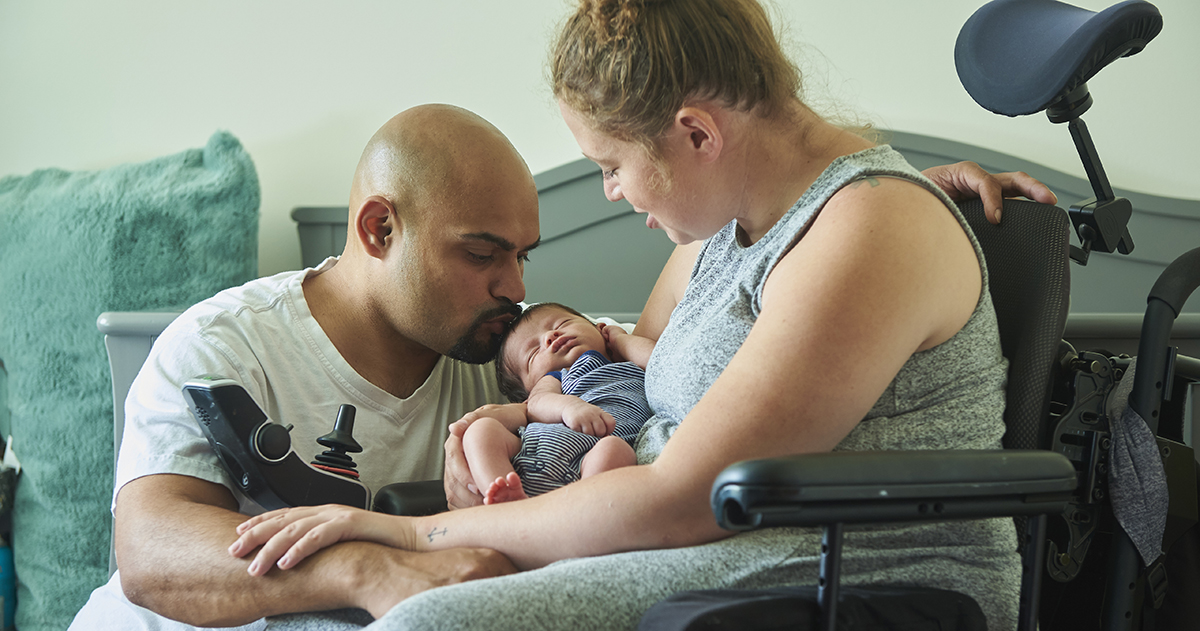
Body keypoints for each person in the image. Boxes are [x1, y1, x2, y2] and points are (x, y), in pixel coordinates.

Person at [227, 1, 1062, 630]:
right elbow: (625, 362)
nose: (612, 192)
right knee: (330, 614)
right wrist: (508, 413)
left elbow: (677, 499)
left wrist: (402, 536)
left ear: (697, 133)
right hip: (711, 544)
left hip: (850, 573)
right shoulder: (727, 226)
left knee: (423, 618)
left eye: (612, 164)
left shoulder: (870, 227)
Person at [463, 302, 654, 504]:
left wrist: (620, 339)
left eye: (561, 324)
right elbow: (537, 404)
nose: (550, 337)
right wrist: (569, 406)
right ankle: (502, 491)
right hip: (534, 451)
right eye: (533, 353)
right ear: (525, 392)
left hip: (595, 459)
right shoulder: (555, 379)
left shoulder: (629, 364)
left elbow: (659, 360)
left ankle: (583, 511)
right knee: (481, 430)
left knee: (615, 450)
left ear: (599, 328)